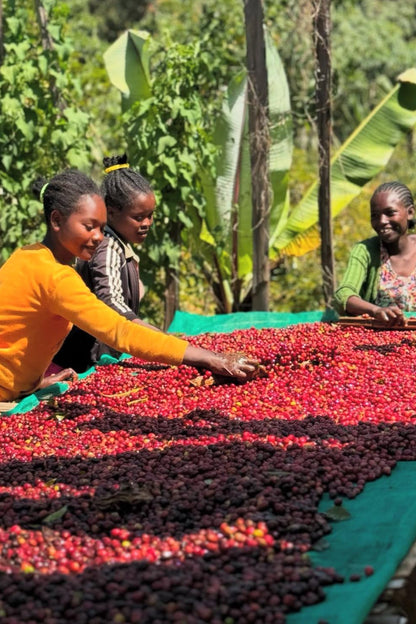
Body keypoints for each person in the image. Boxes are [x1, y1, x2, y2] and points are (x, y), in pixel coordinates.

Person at [0, 168, 257, 402]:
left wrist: (33, 383)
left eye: (102, 228)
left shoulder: (28, 254)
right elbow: (120, 332)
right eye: (89, 227)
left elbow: (13, 337)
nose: (98, 238)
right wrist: (209, 358)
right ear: (56, 221)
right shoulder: (55, 277)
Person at [53, 154, 160, 372]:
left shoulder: (119, 244)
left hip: (101, 352)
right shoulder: (108, 247)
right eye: (138, 217)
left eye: (150, 216)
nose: (146, 223)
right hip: (88, 358)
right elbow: (110, 302)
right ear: (111, 213)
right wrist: (156, 338)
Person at [334, 181, 416, 325]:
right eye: (375, 216)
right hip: (378, 342)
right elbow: (343, 295)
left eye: (390, 213)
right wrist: (375, 310)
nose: (382, 221)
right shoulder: (365, 251)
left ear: (410, 213)